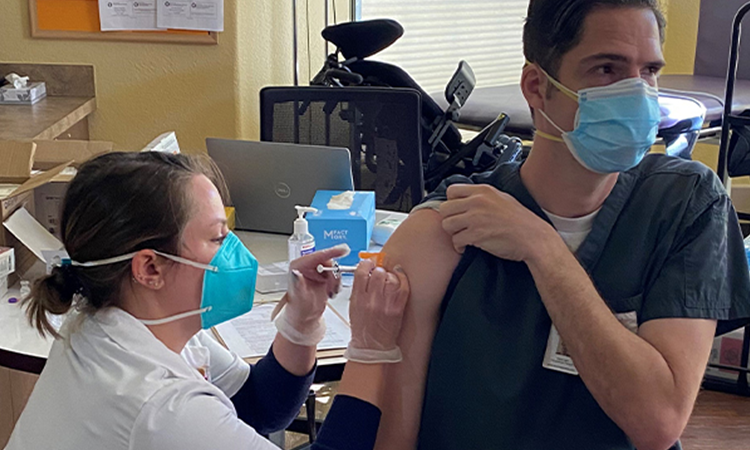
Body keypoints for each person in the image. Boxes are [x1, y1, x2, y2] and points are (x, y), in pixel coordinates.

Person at [373, 1, 750, 450]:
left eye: (649, 70)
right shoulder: (448, 225)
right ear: (536, 85)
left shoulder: (685, 203)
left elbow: (658, 420)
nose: (636, 92)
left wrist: (543, 248)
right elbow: (394, 435)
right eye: (606, 69)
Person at [5, 151, 409, 450]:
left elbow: (258, 406)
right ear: (150, 268)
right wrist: (370, 349)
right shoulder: (160, 406)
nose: (234, 250)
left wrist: (301, 323)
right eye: (218, 237)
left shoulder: (118, 319)